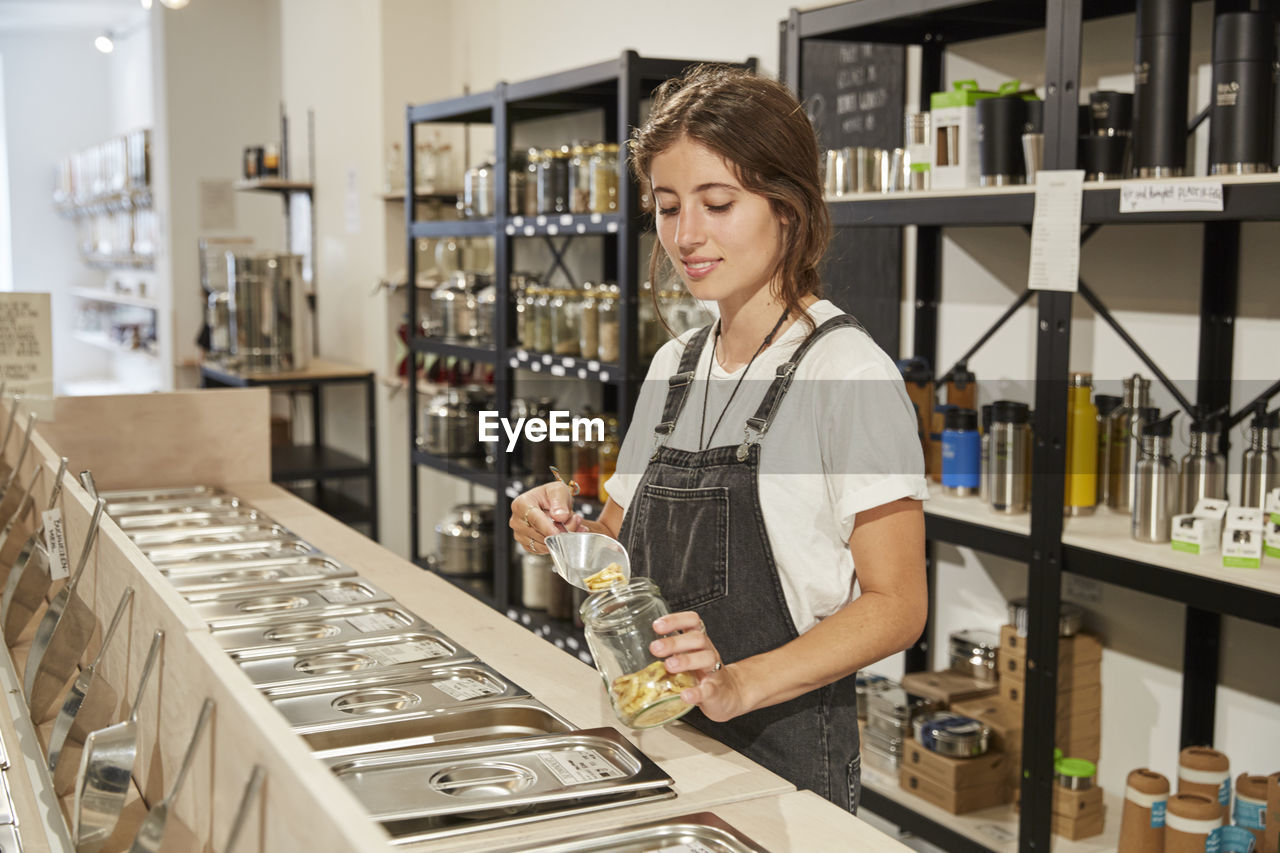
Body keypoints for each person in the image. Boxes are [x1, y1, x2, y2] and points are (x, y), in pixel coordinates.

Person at [508, 64, 927, 813]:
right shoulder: (677, 365)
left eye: (717, 203)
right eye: (667, 208)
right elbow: (618, 550)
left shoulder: (847, 372)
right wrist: (559, 527)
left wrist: (736, 682)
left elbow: (897, 603)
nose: (686, 235)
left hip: (783, 754)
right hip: (657, 738)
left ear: (788, 206)